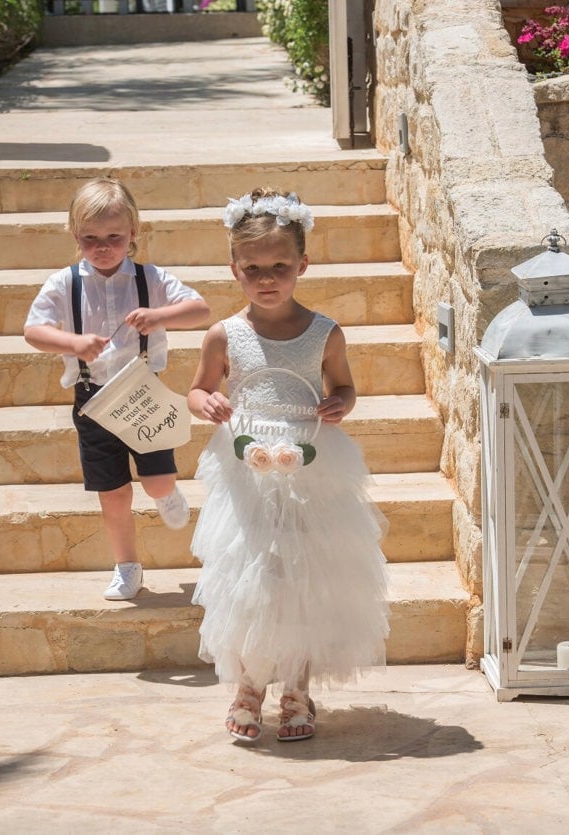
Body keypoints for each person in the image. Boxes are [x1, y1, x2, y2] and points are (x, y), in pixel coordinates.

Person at [187, 187, 389, 743]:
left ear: (303, 264)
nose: (266, 278)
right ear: (235, 269)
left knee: (305, 575)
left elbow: (344, 386)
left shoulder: (325, 333)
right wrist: (207, 402)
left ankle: (297, 688)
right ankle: (249, 685)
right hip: (248, 466)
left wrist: (340, 403)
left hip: (310, 465)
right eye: (253, 268)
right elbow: (199, 390)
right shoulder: (224, 334)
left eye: (279, 266)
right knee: (252, 575)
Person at [24, 177, 210, 601]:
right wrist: (72, 343)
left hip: (143, 396)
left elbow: (200, 309)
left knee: (158, 482)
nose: (102, 246)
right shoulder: (63, 284)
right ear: (75, 236)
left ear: (133, 233)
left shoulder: (151, 278)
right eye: (90, 238)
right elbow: (32, 330)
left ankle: (166, 492)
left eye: (114, 237)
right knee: (112, 494)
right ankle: (127, 566)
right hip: (93, 402)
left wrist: (161, 316)